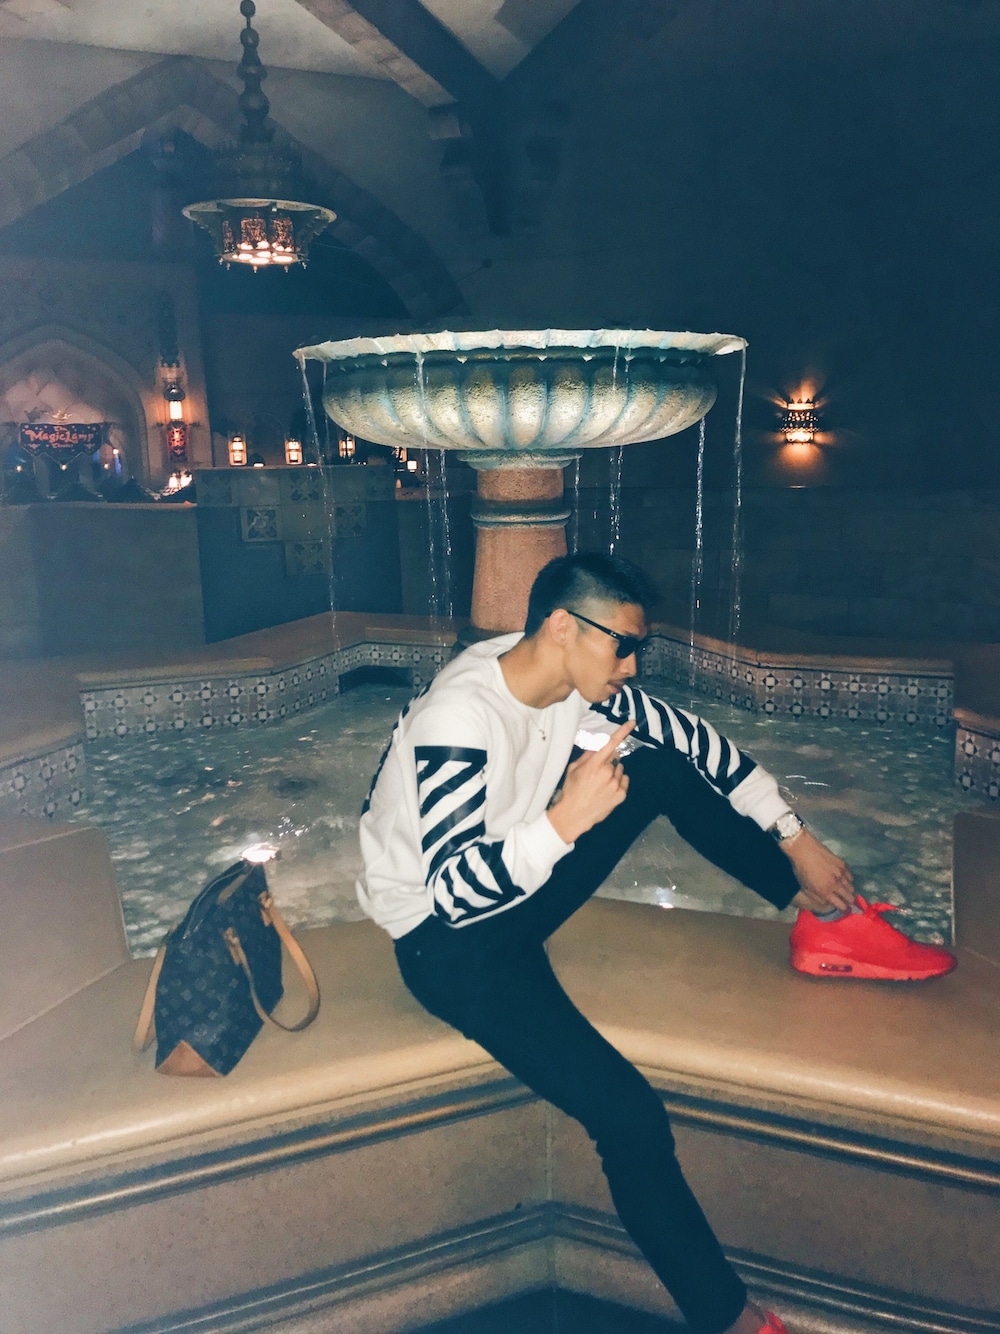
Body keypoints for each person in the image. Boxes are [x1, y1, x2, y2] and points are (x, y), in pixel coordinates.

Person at [357, 552, 955, 1334]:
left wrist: (795, 839)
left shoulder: (564, 684)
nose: (633, 665)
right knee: (629, 1117)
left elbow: (698, 742)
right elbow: (453, 891)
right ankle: (730, 1319)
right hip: (446, 945)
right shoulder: (458, 719)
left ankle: (826, 921)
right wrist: (564, 822)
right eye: (623, 645)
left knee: (662, 771)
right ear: (563, 627)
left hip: (514, 894)